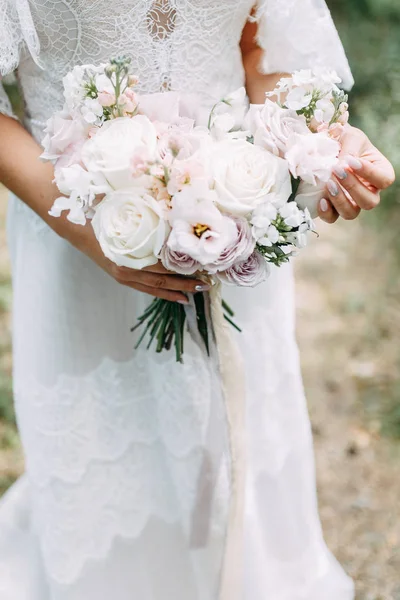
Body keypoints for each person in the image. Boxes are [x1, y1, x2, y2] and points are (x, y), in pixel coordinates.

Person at [0, 1, 395, 599]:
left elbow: (261, 56)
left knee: (233, 439)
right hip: (71, 232)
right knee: (106, 458)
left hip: (231, 227)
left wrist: (321, 148)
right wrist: (88, 230)